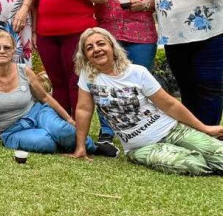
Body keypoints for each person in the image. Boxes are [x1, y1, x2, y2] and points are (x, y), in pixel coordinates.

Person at [72, 27, 223, 175]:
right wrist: (81, 147)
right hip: (140, 147)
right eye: (89, 48)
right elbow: (83, 110)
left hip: (173, 131)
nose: (96, 49)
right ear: (85, 56)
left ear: (112, 46)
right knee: (193, 163)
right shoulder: (88, 76)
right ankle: (196, 156)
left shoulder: (137, 72)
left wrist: (204, 128)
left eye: (101, 43)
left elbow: (170, 105)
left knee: (219, 154)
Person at [0, 31, 116, 157]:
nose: (2, 51)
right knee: (45, 142)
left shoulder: (23, 71)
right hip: (11, 130)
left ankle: (92, 148)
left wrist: (69, 119)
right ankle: (62, 141)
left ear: (13, 52)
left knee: (62, 130)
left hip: (38, 113)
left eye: (7, 47)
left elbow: (45, 98)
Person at [32, 0, 107, 117]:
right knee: (56, 82)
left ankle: (78, 128)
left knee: (76, 82)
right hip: (46, 35)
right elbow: (35, 2)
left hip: (77, 34)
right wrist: (34, 32)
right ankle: (63, 125)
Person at [93, 0, 158, 142]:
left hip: (142, 35)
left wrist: (144, 4)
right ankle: (107, 131)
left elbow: (161, 0)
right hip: (106, 35)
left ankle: (139, 128)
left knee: (137, 83)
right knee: (106, 83)